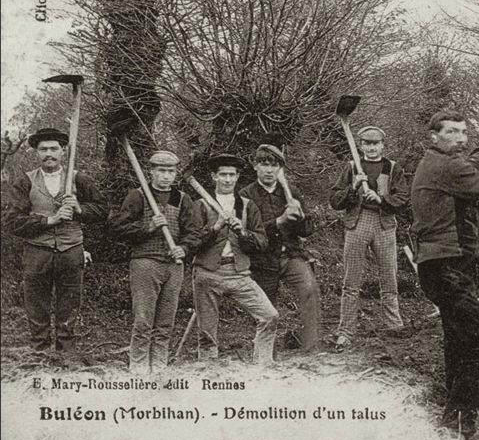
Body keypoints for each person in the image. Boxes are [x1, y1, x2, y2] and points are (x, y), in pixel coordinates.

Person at [410, 111, 479, 438]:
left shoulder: (441, 163)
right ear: (434, 137)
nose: (460, 138)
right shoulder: (446, 166)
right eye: (452, 132)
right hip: (447, 268)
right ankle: (459, 420)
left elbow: (471, 164)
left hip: (442, 267)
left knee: (457, 339)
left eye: (463, 132)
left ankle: (459, 403)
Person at [4, 127, 107, 353]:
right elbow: (12, 221)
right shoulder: (25, 181)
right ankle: (40, 351)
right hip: (36, 252)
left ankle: (66, 353)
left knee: (69, 303)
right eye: (43, 149)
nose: (48, 153)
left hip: (71, 250)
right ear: (36, 153)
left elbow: (102, 211)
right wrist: (50, 220)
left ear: (63, 151)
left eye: (54, 149)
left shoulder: (79, 179)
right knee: (36, 304)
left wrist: (79, 208)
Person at [108, 150, 203, 374]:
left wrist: (184, 248)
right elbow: (116, 228)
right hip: (145, 263)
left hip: (173, 265)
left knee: (166, 322)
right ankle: (139, 367)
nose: (166, 176)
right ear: (151, 171)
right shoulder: (139, 195)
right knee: (143, 320)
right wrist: (147, 227)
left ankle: (159, 367)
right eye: (161, 171)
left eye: (171, 171)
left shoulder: (181, 198)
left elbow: (195, 231)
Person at [191, 153, 278, 365]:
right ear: (214, 177)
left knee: (269, 316)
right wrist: (216, 226)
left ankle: (263, 363)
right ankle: (208, 368)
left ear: (238, 177)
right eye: (223, 175)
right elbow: (192, 242)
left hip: (238, 273)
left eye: (232, 175)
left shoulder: (247, 206)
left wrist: (243, 233)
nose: (228, 179)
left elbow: (262, 242)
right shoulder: (201, 205)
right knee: (207, 332)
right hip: (207, 273)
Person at [330, 126, 410, 347]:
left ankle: (394, 326)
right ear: (361, 145)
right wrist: (353, 188)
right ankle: (345, 331)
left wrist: (381, 199)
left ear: (383, 145)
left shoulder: (392, 168)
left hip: (384, 224)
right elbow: (335, 200)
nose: (372, 148)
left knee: (389, 278)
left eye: (375, 144)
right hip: (358, 222)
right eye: (367, 143)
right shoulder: (352, 167)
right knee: (351, 280)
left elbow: (403, 198)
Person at [240, 139, 320, 355]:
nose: (269, 169)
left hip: (291, 255)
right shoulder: (246, 195)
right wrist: (280, 220)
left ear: (280, 168)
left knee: (309, 289)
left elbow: (307, 231)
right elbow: (247, 236)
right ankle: (267, 355)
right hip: (262, 259)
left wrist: (300, 217)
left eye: (274, 165)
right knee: (266, 307)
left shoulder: (291, 191)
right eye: (264, 164)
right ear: (255, 166)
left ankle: (310, 350)